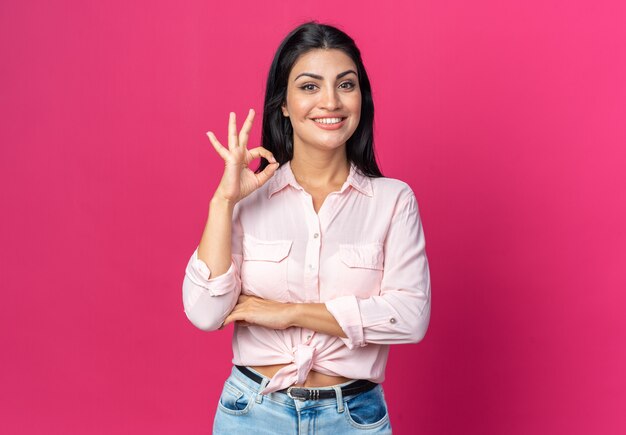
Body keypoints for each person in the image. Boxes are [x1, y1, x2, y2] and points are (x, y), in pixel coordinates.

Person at [182, 21, 431, 434]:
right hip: (252, 415)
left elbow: (410, 317)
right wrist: (223, 201)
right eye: (310, 86)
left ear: (361, 100)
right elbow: (206, 313)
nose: (330, 102)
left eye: (345, 85)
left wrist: (289, 314)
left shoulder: (393, 201)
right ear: (283, 103)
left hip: (353, 419)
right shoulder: (247, 197)